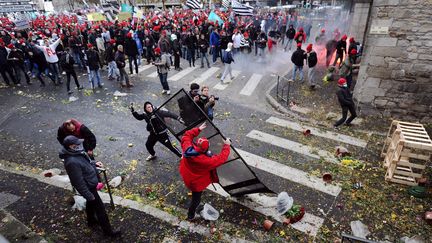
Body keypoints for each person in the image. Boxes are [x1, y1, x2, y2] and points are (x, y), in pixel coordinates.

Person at [59, 136, 121, 238]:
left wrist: (94, 163)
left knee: (91, 204)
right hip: (89, 188)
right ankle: (109, 232)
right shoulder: (71, 162)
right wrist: (88, 194)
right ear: (71, 146)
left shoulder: (76, 153)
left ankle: (91, 221)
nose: (79, 145)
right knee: (101, 210)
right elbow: (77, 182)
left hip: (90, 185)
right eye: (77, 144)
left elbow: (85, 163)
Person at [179, 122, 231, 220]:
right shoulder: (206, 160)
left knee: (194, 194)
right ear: (206, 149)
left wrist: (198, 129)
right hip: (196, 183)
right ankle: (191, 215)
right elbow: (221, 158)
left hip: (187, 176)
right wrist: (227, 145)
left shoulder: (188, 149)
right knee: (196, 200)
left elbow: (186, 136)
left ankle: (192, 213)